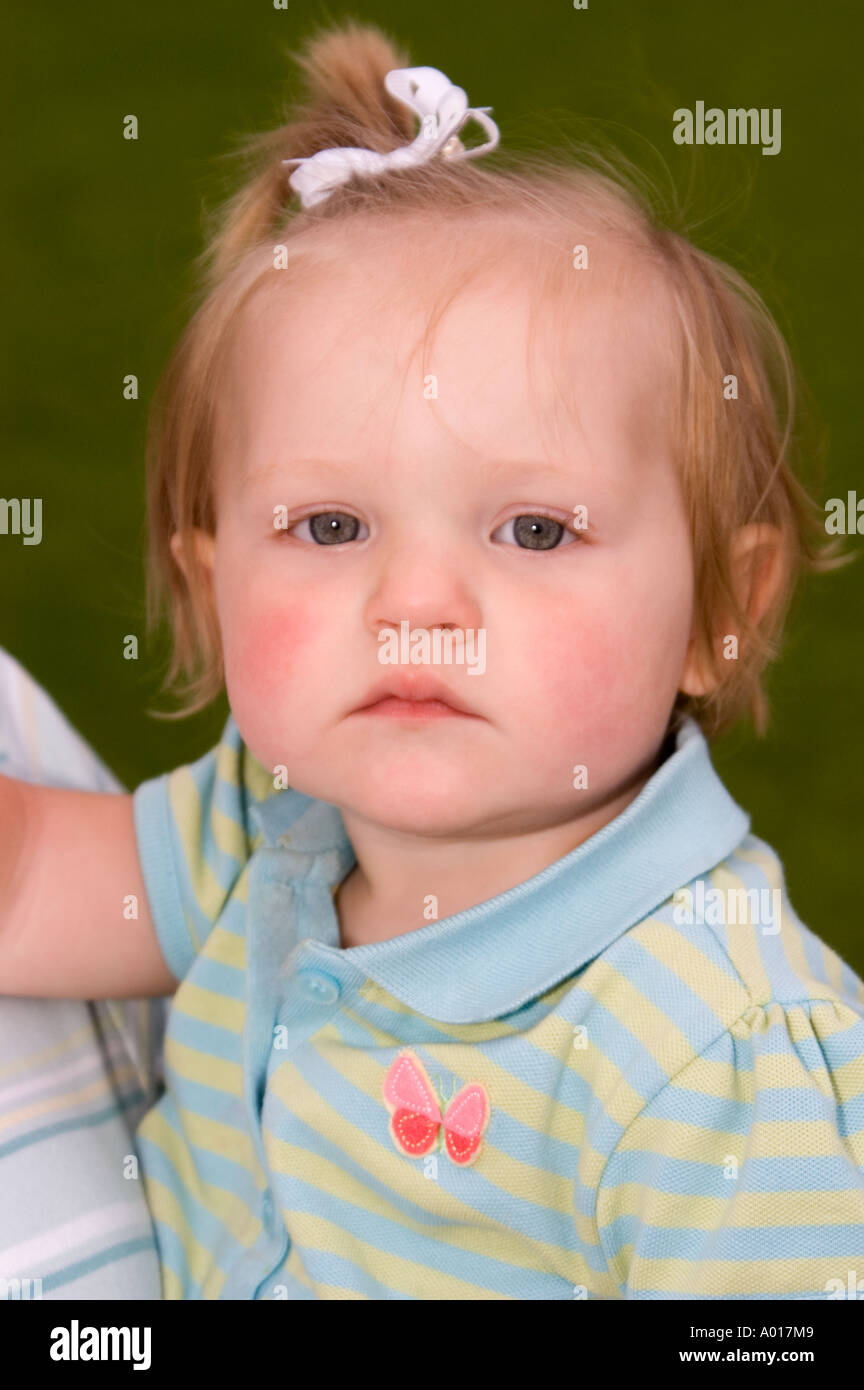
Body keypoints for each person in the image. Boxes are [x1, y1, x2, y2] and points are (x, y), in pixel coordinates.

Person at [2, 18, 862, 1299]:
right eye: (331, 526)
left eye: (534, 528)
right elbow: (30, 893)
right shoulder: (268, 822)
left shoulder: (713, 1058)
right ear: (208, 579)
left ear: (714, 612)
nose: (414, 602)